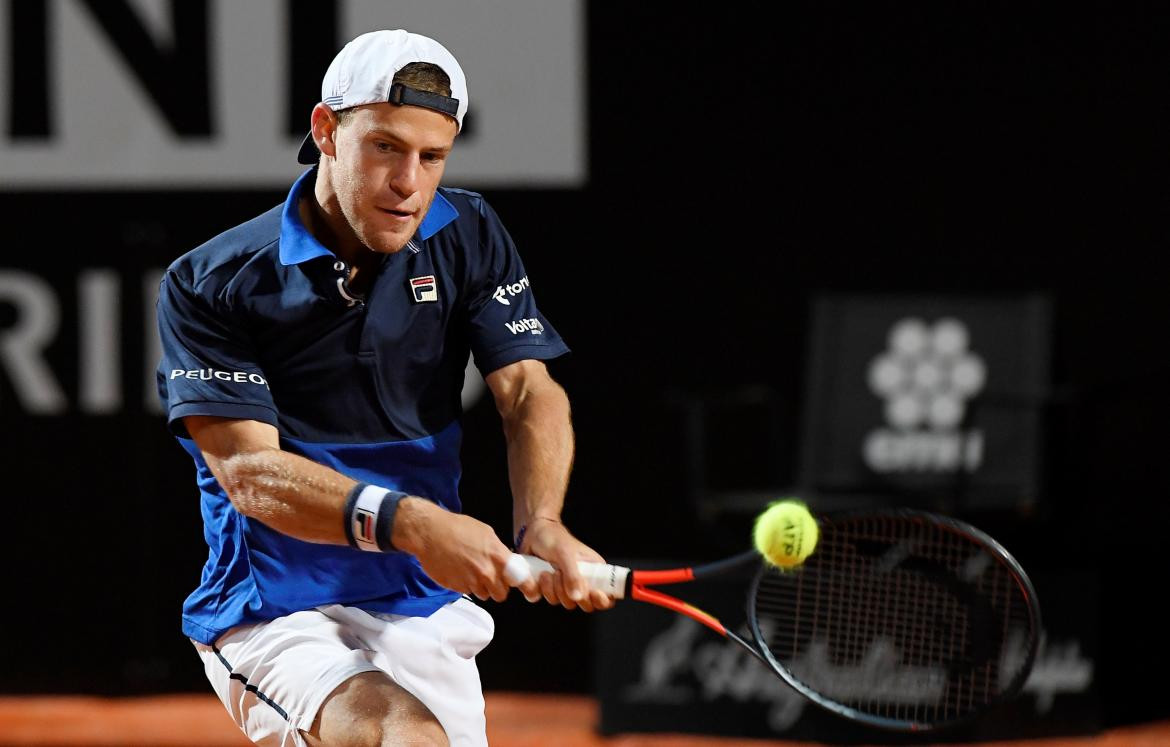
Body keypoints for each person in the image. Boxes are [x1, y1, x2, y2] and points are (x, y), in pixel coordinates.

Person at [156, 28, 612, 747]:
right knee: (403, 737)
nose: (410, 183)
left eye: (433, 157)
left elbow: (528, 391)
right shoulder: (212, 280)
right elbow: (247, 473)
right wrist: (417, 524)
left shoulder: (468, 233)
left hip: (421, 603)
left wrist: (542, 521)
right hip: (278, 607)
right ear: (326, 130)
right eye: (386, 148)